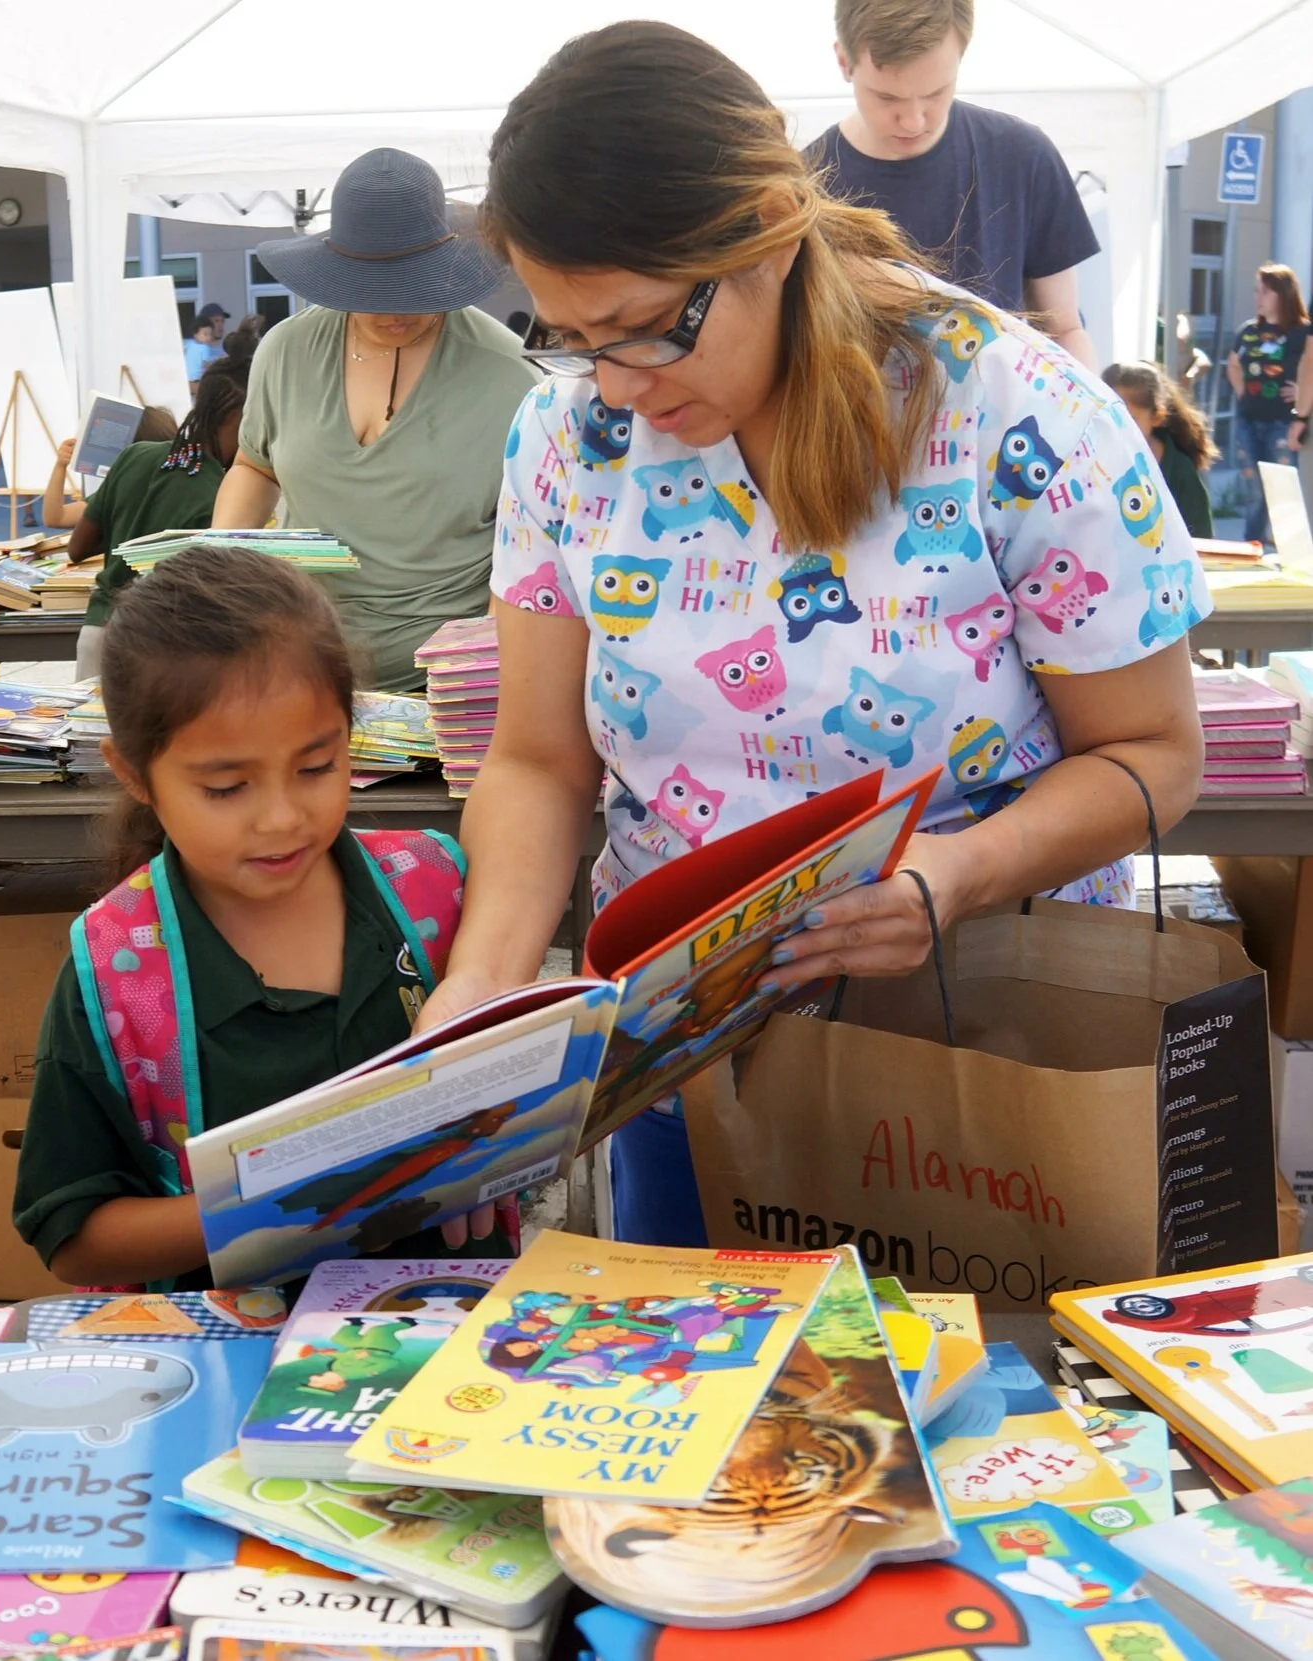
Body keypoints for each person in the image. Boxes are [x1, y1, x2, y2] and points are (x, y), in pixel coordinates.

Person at [423, 22, 1206, 1246]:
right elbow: (536, 758)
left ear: (770, 235)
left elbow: (1152, 753)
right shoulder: (565, 438)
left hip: (978, 1043)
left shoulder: (1007, 404)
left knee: (969, 1417)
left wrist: (954, 876)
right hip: (682, 1054)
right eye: (572, 338)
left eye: (643, 327)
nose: (616, 385)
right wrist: (479, 988)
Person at [12, 546, 508, 1289]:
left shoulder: (434, 891)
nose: (281, 818)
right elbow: (75, 1234)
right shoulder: (117, 970)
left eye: (316, 767)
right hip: (230, 1371)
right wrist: (286, 1203)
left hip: (454, 1350)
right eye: (226, 786)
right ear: (133, 774)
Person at [212, 148, 536, 692]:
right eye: (375, 289)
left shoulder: (509, 374)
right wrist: (220, 573)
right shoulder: (286, 350)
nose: (398, 309)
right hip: (298, 670)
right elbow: (255, 466)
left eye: (417, 285)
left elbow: (528, 544)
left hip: (449, 687)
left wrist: (476, 673)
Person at [806, 0, 1100, 367]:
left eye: (935, 93)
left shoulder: (1024, 156)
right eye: (887, 97)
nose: (913, 121)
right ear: (843, 62)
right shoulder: (804, 191)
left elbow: (1065, 332)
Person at [67, 353, 250, 677]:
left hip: (99, 631)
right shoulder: (222, 497)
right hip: (161, 647)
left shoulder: (134, 455)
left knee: (92, 728)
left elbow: (77, 548)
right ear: (238, 419)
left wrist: (131, 528)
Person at [1226, 264, 1313, 546]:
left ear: (1283, 294)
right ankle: (1253, 545)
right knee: (1254, 489)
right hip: (1248, 420)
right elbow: (1233, 365)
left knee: (1283, 490)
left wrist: (1302, 400)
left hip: (1283, 422)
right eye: (1256, 290)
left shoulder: (1302, 331)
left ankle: (1287, 549)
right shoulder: (1248, 330)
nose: (1258, 297)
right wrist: (1242, 395)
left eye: (1265, 291)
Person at [1102, 361, 1217, 539]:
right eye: (1108, 417)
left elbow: (1202, 541)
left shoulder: (1180, 469)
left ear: (1157, 417)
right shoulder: (1090, 462)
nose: (1117, 428)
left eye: (1129, 419)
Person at [41, 406, 178, 532]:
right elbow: (56, 517)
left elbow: (57, 520)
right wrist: (61, 465)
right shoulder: (121, 491)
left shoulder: (122, 492)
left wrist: (61, 465)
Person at [184, 303, 230, 386]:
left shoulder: (224, 350)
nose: (220, 325)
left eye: (222, 321)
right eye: (216, 321)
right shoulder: (192, 349)